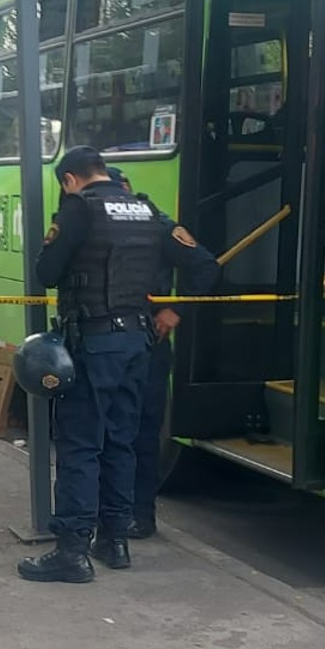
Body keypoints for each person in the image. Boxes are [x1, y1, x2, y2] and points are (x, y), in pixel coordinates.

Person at [18, 146, 176, 583]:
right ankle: (115, 539)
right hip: (136, 342)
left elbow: (47, 272)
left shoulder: (79, 209)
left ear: (70, 179)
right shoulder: (143, 209)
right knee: (120, 441)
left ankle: (71, 549)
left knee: (80, 443)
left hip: (93, 340)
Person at [111, 168, 219, 540]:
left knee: (141, 433)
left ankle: (140, 514)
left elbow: (205, 268)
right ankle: (112, 510)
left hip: (147, 345)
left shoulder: (157, 225)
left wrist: (175, 312)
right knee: (109, 432)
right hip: (108, 341)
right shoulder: (95, 223)